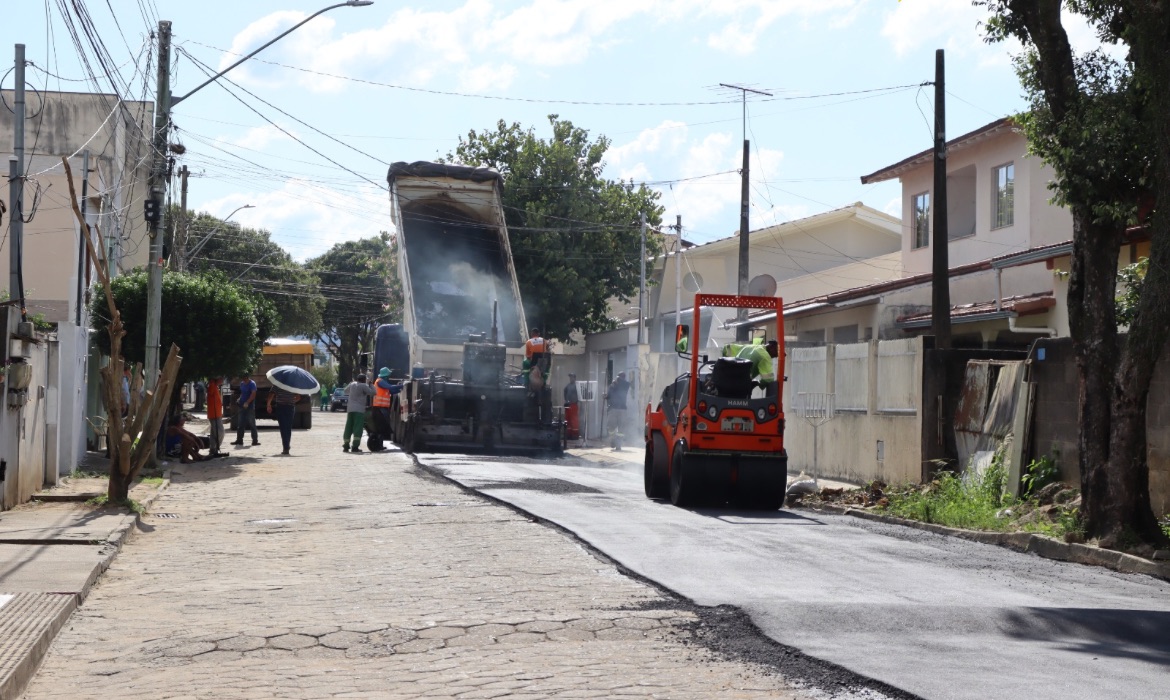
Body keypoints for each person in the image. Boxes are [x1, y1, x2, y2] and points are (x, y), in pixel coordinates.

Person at [371, 367, 402, 449]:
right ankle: (378, 445)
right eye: (388, 374)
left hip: (382, 408)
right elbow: (391, 387)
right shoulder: (380, 381)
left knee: (382, 428)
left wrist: (400, 389)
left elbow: (391, 391)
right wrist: (401, 385)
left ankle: (380, 445)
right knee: (380, 428)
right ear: (385, 375)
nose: (389, 376)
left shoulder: (383, 383)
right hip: (379, 408)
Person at [343, 374, 375, 453]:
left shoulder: (352, 384)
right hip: (359, 410)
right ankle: (355, 447)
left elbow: (345, 391)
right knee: (357, 428)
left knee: (349, 427)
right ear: (364, 380)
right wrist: (370, 384)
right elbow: (373, 393)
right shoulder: (364, 386)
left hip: (350, 409)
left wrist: (352, 384)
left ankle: (346, 446)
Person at [266, 385, 300, 456]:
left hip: (281, 407)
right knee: (288, 427)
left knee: (283, 427)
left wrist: (268, 404)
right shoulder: (292, 384)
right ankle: (286, 445)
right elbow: (298, 397)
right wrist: (292, 400)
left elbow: (271, 394)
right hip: (290, 407)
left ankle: (286, 447)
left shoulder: (277, 384)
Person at [604, 371, 631, 451]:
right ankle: (613, 440)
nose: (621, 378)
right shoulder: (612, 385)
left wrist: (616, 380)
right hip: (613, 408)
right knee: (610, 426)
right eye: (620, 377)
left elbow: (624, 383)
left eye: (622, 377)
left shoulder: (626, 385)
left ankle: (618, 445)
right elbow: (608, 396)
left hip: (622, 409)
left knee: (621, 429)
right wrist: (605, 396)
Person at [231, 374, 260, 447]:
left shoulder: (252, 384)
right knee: (240, 423)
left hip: (249, 406)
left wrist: (247, 402)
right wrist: (239, 399)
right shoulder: (242, 384)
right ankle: (239, 440)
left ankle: (255, 440)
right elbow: (242, 393)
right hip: (241, 405)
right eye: (243, 378)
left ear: (247, 377)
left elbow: (253, 394)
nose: (244, 380)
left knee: (252, 423)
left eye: (245, 378)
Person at [206, 376, 226, 457]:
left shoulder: (215, 386)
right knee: (220, 432)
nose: (222, 380)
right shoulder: (212, 385)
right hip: (214, 414)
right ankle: (215, 448)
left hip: (216, 413)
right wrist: (212, 382)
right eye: (221, 379)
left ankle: (213, 449)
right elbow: (210, 392)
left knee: (214, 433)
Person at [564, 372, 580, 440]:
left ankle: (575, 435)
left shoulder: (577, 385)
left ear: (575, 378)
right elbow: (564, 391)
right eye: (570, 377)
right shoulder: (568, 386)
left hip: (574, 404)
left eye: (572, 377)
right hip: (568, 405)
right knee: (568, 420)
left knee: (574, 420)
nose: (570, 378)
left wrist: (575, 400)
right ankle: (568, 434)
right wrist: (566, 400)